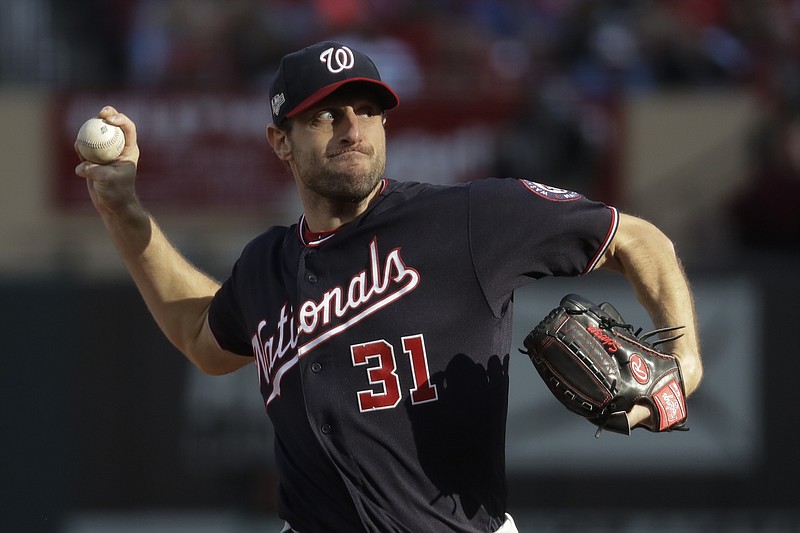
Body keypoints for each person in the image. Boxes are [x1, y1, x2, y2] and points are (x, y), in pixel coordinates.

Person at [75, 41, 703, 533]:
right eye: (325, 115)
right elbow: (199, 335)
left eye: (369, 111)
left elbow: (638, 240)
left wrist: (685, 365)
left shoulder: (467, 219)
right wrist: (125, 216)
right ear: (280, 143)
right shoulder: (265, 265)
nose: (353, 130)